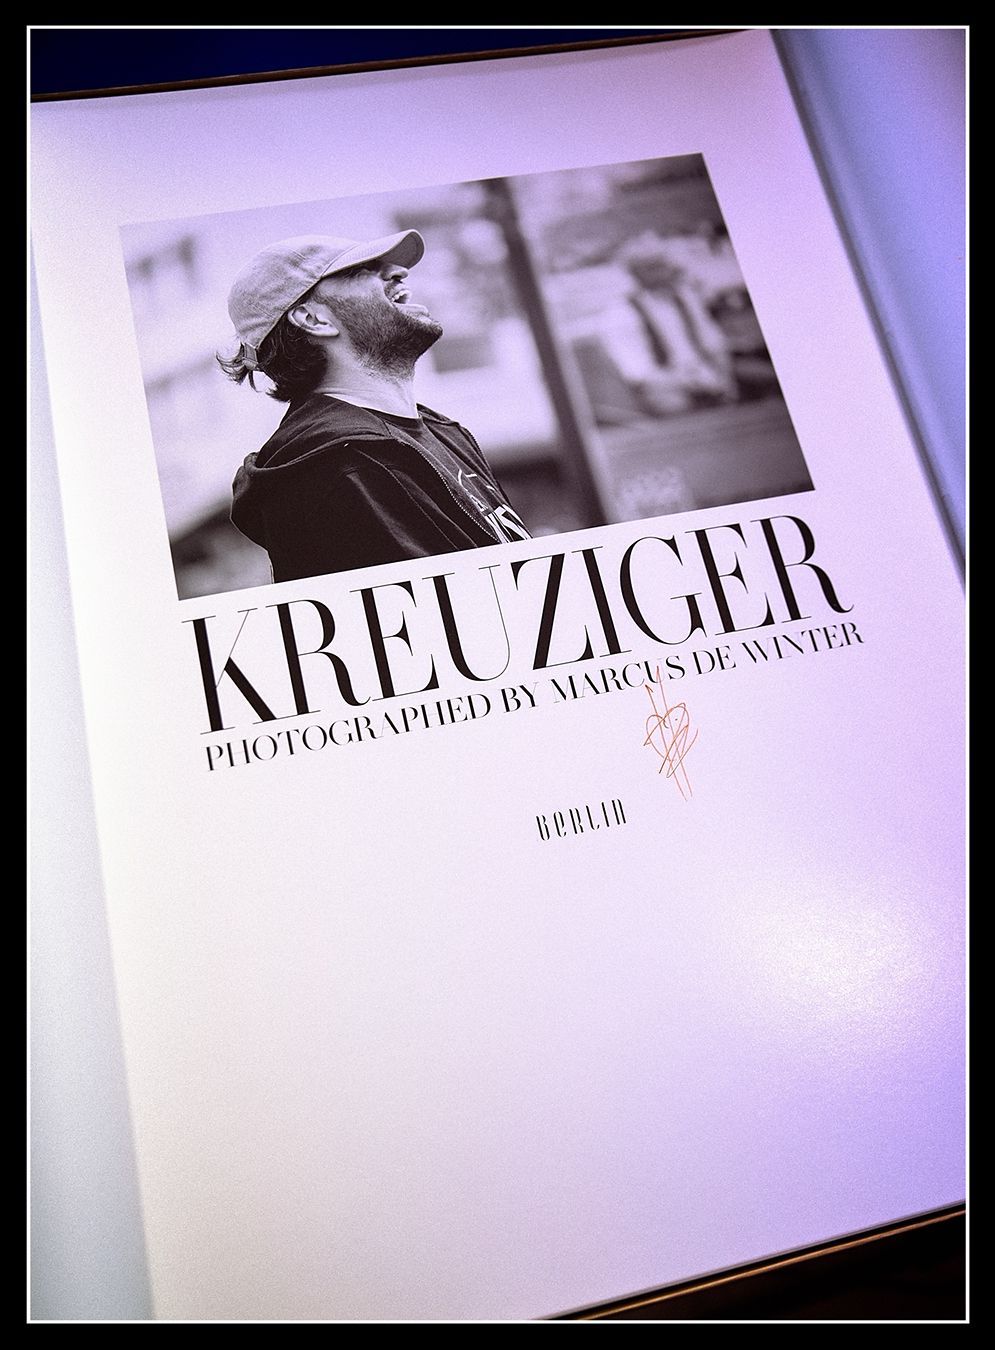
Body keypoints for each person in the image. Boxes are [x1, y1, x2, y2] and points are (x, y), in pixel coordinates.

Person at [218, 230, 530, 583]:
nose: (399, 272)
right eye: (361, 269)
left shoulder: (440, 431)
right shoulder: (338, 467)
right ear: (314, 320)